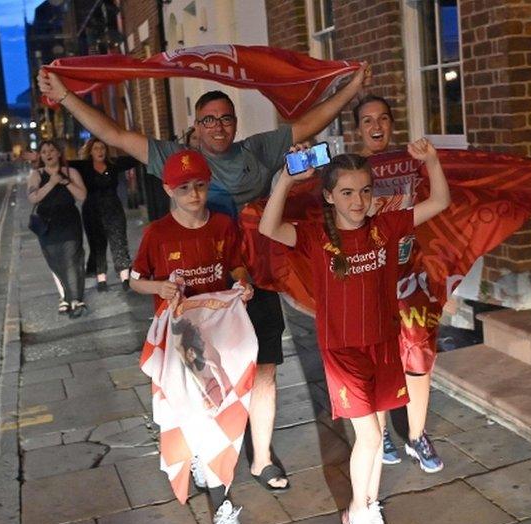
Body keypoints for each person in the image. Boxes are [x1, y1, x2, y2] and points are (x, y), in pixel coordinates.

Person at [39, 62, 370, 492]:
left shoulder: (257, 151)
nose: (218, 126)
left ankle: (263, 457)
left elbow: (310, 121)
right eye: (208, 119)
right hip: (199, 297)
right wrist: (66, 96)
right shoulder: (174, 160)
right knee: (200, 378)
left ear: (235, 123)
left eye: (225, 118)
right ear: (196, 126)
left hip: (253, 283)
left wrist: (354, 87)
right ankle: (205, 450)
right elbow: (116, 135)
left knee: (265, 370)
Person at [258, 141, 450, 524]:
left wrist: (431, 161)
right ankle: (358, 515)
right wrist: (285, 182)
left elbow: (440, 202)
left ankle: (367, 502)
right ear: (329, 197)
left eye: (365, 190)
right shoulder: (314, 236)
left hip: (383, 344)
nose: (358, 200)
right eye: (346, 192)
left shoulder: (388, 226)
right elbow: (268, 228)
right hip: (343, 351)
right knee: (367, 437)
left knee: (378, 430)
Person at [129, 149, 253, 524]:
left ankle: (209, 466)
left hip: (221, 335)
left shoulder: (221, 224)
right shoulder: (157, 234)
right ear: (168, 189)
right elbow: (135, 279)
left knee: (222, 410)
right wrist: (158, 287)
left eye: (200, 186)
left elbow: (235, 264)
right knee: (203, 415)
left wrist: (242, 283)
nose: (195, 194)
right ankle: (222, 508)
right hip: (182, 343)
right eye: (184, 188)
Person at [354, 95, 444, 473]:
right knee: (374, 362)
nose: (377, 126)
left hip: (407, 277)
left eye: (384, 119)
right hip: (367, 277)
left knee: (418, 358)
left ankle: (416, 434)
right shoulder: (349, 171)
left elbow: (443, 197)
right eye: (368, 120)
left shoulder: (409, 161)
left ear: (392, 124)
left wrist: (431, 159)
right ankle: (381, 432)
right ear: (357, 128)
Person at [69, 137, 141, 292]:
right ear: (90, 151)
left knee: (119, 242)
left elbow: (135, 159)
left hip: (113, 209)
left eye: (102, 148)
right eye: (96, 148)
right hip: (92, 211)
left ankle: (125, 277)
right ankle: (101, 278)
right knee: (97, 245)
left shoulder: (113, 164)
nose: (100, 151)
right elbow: (62, 165)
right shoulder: (83, 166)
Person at [27, 140, 89, 317]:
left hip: (69, 220)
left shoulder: (71, 172)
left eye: (52, 150)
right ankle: (65, 297)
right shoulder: (36, 174)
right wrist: (52, 183)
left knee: (72, 259)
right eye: (44, 151)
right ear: (40, 156)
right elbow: (33, 198)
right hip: (47, 223)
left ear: (59, 153)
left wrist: (65, 181)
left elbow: (82, 195)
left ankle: (76, 299)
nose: (48, 154)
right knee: (55, 262)